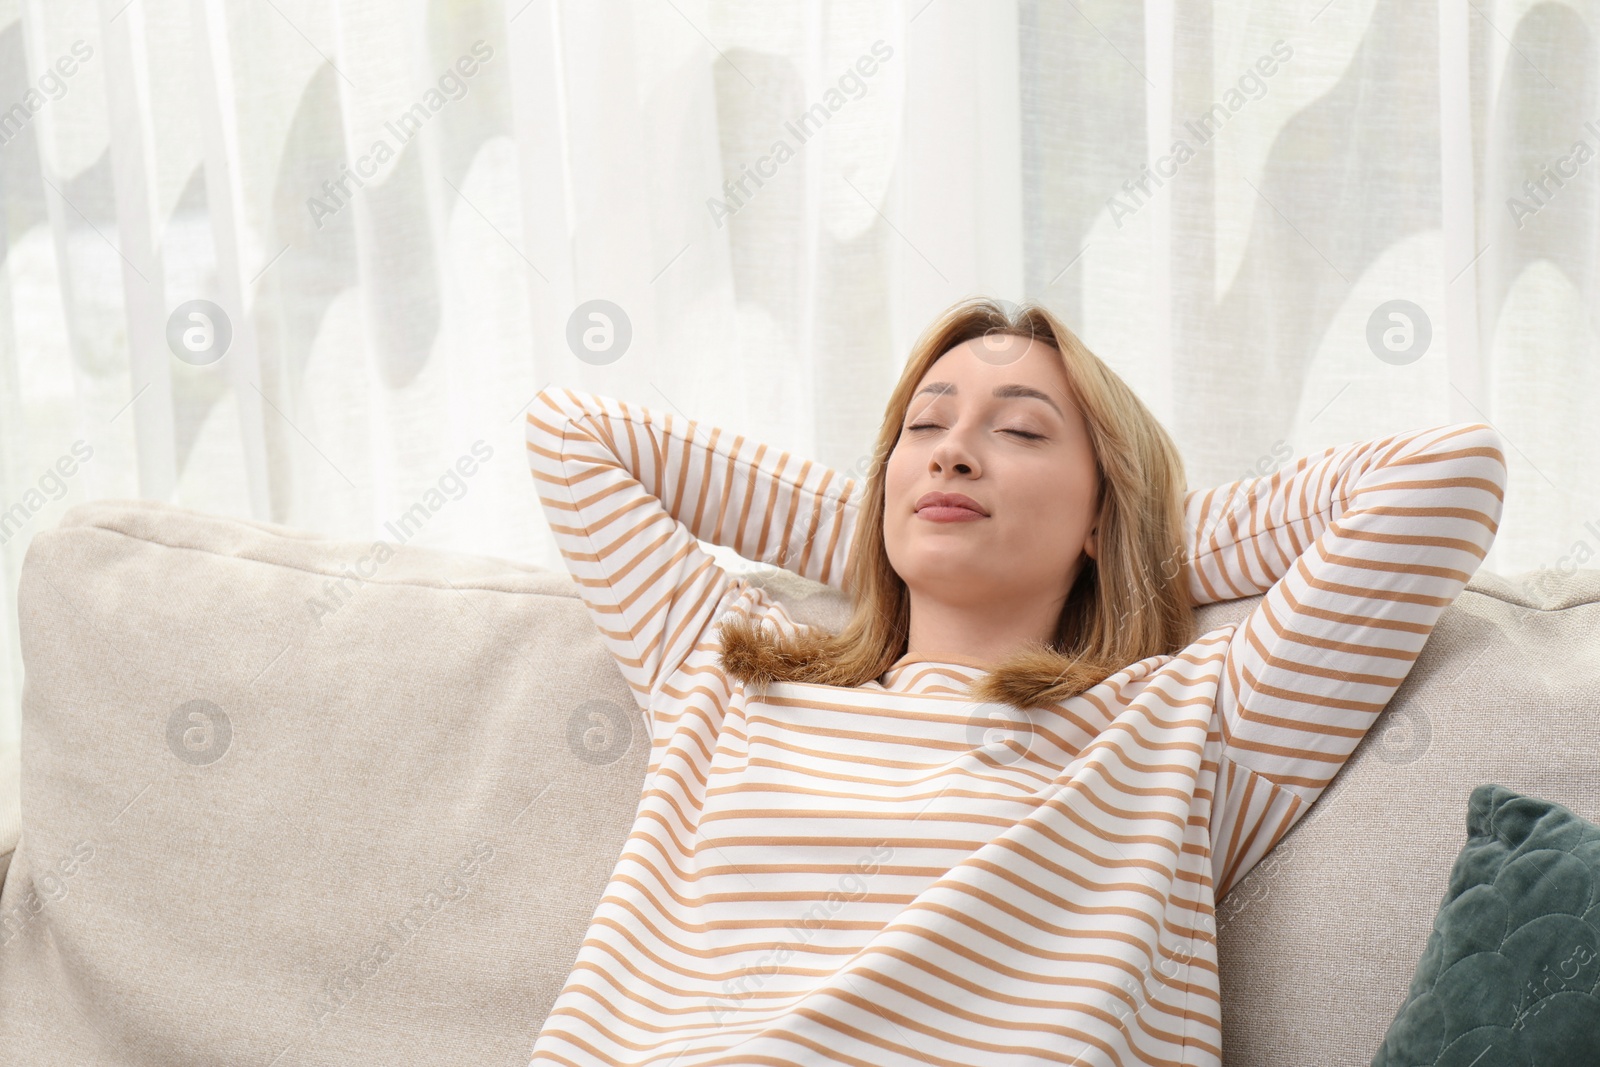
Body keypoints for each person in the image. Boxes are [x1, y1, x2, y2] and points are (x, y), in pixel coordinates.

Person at [523, 297, 1507, 1066]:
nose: (952, 449)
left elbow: (1445, 474)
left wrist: (1133, 530)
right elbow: (573, 436)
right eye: (924, 425)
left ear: (1101, 508)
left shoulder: (1181, 727)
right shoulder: (730, 670)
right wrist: (886, 521)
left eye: (1023, 433)